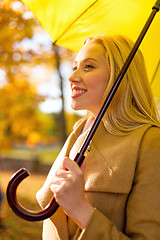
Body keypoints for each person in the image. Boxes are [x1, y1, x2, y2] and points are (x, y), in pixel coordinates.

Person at [36, 35, 160, 239]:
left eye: (89, 67)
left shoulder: (149, 141)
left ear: (121, 76)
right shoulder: (80, 132)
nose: (72, 76)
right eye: (75, 66)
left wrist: (80, 210)